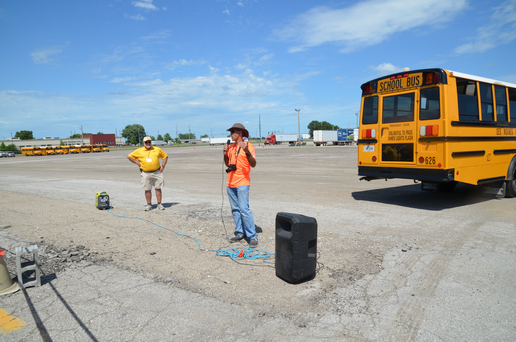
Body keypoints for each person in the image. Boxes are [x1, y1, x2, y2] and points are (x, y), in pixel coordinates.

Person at [223, 123, 258, 247]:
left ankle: (252, 236)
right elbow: (227, 164)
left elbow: (253, 164)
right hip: (230, 183)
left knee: (244, 210)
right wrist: (224, 153)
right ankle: (239, 232)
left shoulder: (249, 146)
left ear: (240, 133)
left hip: (242, 182)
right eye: (231, 132)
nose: (231, 134)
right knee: (235, 210)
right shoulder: (231, 147)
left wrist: (247, 151)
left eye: (234, 132)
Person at [127, 136, 168, 211]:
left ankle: (159, 204)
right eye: (146, 142)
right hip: (145, 173)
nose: (148, 143)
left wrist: (163, 166)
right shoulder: (139, 150)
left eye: (149, 142)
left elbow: (165, 156)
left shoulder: (157, 149)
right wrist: (136, 162)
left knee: (158, 188)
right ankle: (149, 205)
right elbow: (129, 156)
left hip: (157, 172)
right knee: (147, 189)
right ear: (143, 143)